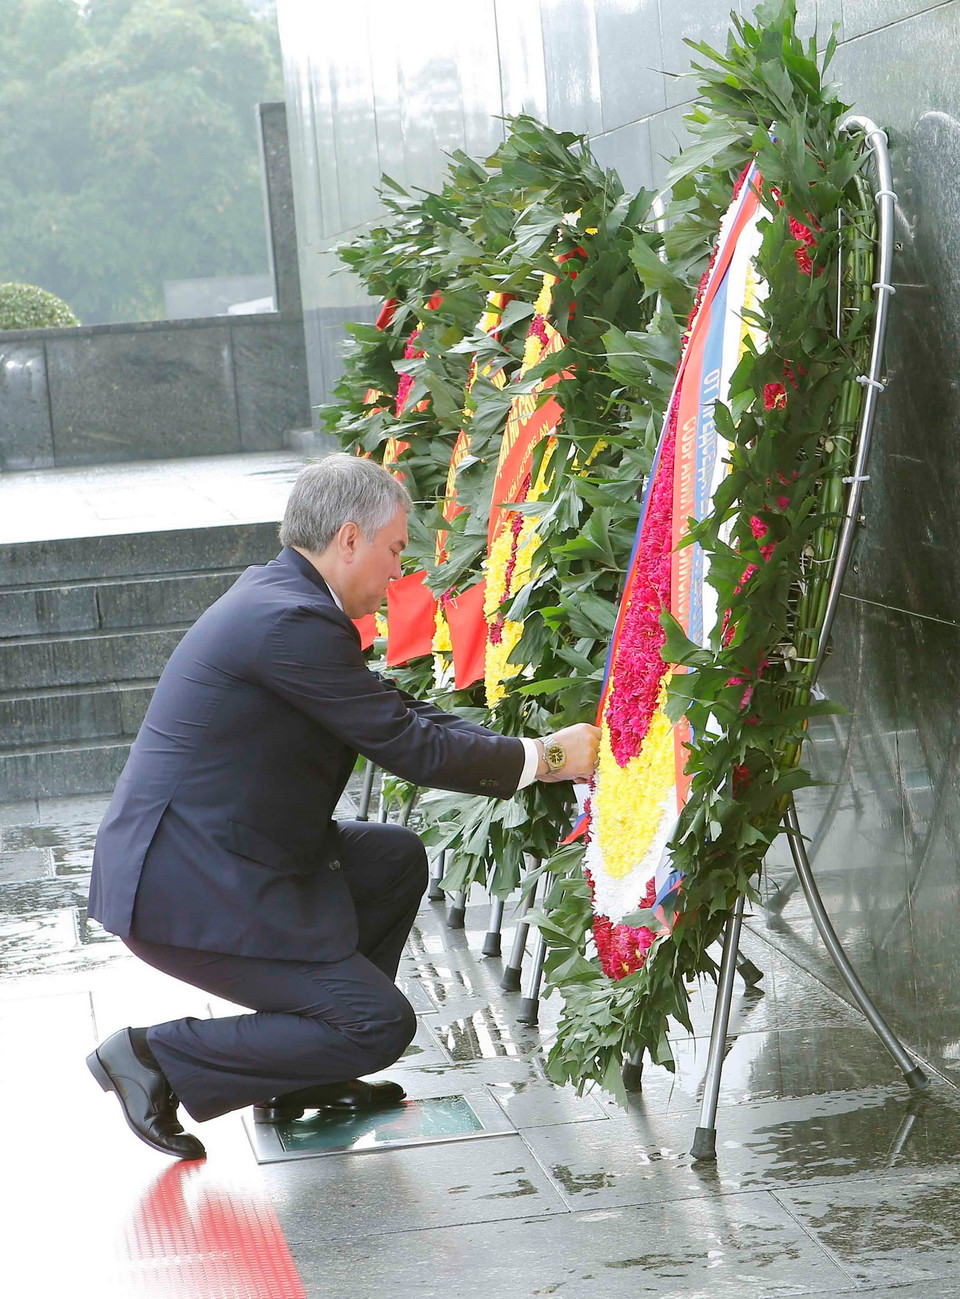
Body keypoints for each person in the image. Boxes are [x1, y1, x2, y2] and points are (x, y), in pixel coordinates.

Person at [86, 454, 600, 1159]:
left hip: (225, 855)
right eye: (395, 550)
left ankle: (302, 1072)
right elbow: (405, 743)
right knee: (379, 1024)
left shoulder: (285, 601)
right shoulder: (288, 620)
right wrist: (547, 759)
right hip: (182, 885)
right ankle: (153, 1057)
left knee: (392, 858)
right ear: (350, 539)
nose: (399, 571)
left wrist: (530, 749)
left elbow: (397, 712)